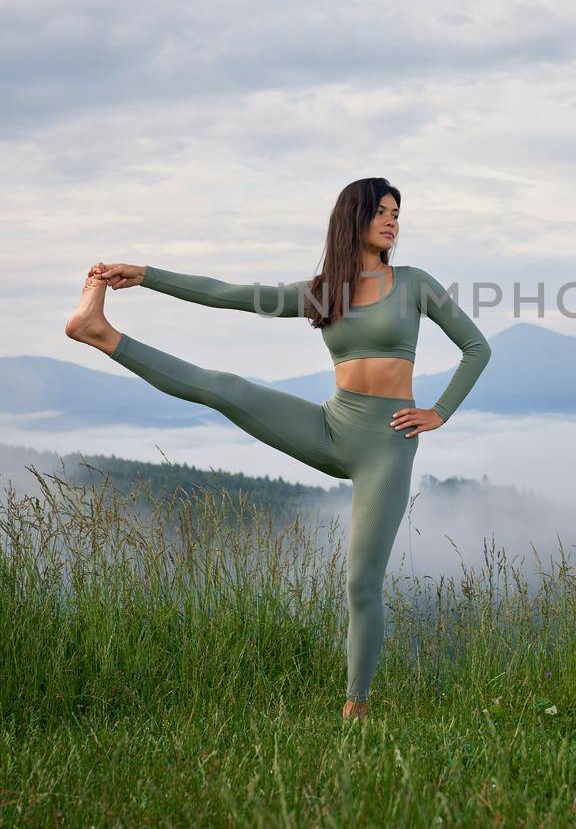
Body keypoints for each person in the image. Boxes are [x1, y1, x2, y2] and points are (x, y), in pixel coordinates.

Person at [63, 177, 491, 721]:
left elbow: (477, 348)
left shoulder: (415, 284)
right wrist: (146, 276)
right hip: (332, 425)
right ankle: (98, 330)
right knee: (224, 387)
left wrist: (439, 412)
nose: (392, 221)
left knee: (361, 581)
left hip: (388, 444)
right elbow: (227, 294)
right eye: (381, 211)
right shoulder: (323, 291)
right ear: (352, 219)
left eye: (397, 213)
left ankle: (355, 707)